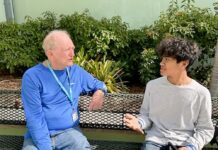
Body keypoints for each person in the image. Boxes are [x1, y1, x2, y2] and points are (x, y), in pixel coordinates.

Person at [21, 30, 107, 150]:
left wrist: (100, 92)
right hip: (39, 135)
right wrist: (45, 147)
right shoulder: (32, 76)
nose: (72, 54)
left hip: (69, 133)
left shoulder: (76, 71)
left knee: (81, 146)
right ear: (51, 54)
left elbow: (100, 85)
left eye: (73, 48)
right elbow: (35, 118)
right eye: (67, 50)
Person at [124, 37, 214, 150]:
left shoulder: (201, 93)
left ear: (184, 63)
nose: (161, 63)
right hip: (155, 142)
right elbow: (146, 116)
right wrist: (139, 123)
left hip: (184, 143)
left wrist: (191, 147)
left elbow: (205, 129)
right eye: (162, 59)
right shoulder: (153, 86)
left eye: (167, 59)